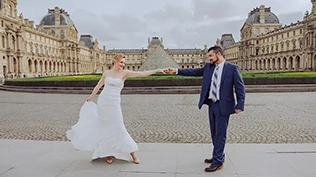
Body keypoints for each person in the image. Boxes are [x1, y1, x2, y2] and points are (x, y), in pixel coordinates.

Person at [67, 54, 165, 164]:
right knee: (106, 128)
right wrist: (91, 97)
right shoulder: (106, 73)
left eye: (124, 62)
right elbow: (98, 86)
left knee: (120, 127)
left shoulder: (125, 73)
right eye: (121, 62)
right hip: (103, 102)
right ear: (115, 61)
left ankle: (132, 153)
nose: (123, 64)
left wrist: (157, 70)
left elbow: (142, 73)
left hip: (114, 104)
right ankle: (109, 154)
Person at [165, 46, 245, 172]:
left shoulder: (232, 68)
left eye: (210, 56)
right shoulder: (208, 67)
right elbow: (194, 72)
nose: (209, 59)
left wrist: (240, 104)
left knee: (220, 134)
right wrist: (176, 70)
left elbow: (240, 87)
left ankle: (218, 162)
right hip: (212, 104)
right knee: (214, 132)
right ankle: (218, 155)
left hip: (223, 105)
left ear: (218, 54)